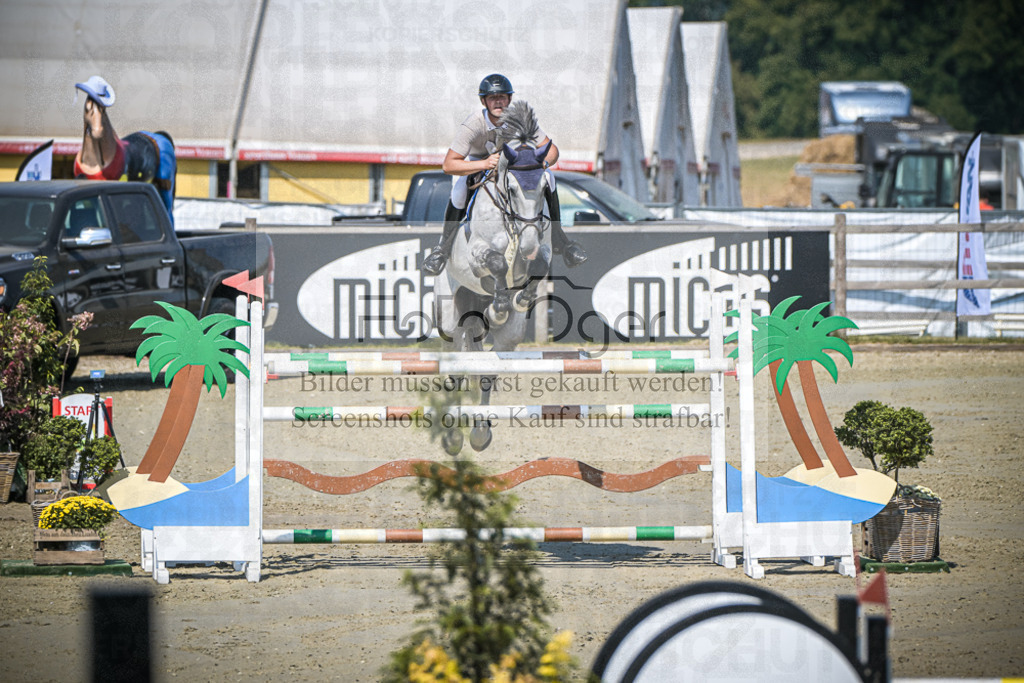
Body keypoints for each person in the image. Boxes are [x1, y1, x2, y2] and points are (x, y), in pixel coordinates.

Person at [421, 73, 587, 276]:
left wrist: (540, 164)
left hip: (512, 169)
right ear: (484, 101)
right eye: (492, 98)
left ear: (509, 99)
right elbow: (448, 165)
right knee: (459, 190)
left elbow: (552, 151)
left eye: (502, 97)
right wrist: (484, 163)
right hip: (477, 165)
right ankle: (442, 249)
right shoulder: (473, 124)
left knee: (549, 177)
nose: (498, 101)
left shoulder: (520, 120)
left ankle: (561, 240)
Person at [74, 76, 178, 225]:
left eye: (100, 111)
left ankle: (169, 225)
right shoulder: (79, 165)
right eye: (90, 110)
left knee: (164, 198)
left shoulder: (119, 162)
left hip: (158, 149)